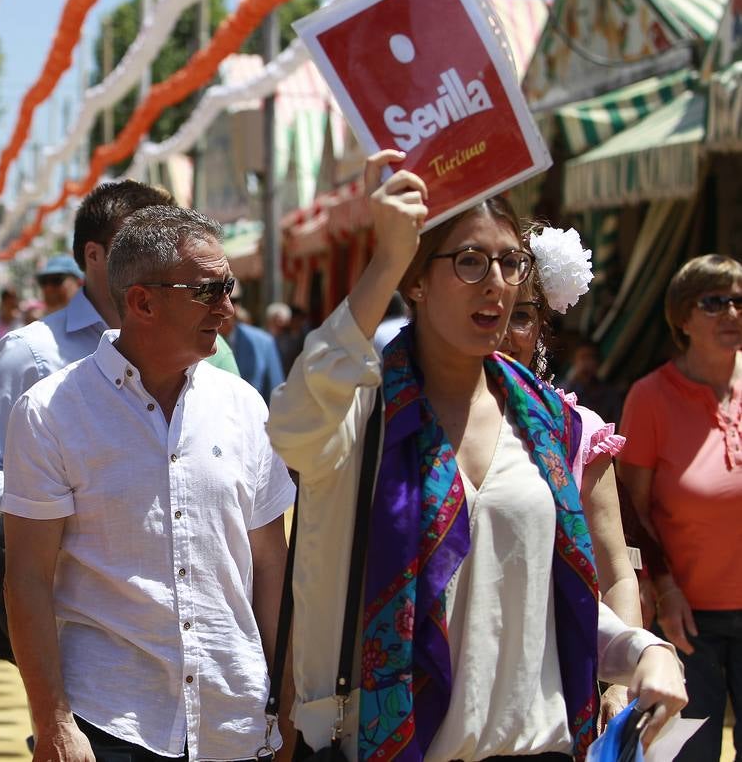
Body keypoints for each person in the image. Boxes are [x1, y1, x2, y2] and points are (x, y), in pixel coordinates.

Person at [266, 150, 687, 761]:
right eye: (468, 261)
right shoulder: (363, 416)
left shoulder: (549, 424)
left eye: (510, 262)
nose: (496, 281)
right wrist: (384, 258)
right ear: (414, 280)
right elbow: (294, 423)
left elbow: (547, 603)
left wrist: (642, 650)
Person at [4, 206, 296, 762]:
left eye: (228, 288)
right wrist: (54, 723)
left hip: (233, 718)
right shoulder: (50, 413)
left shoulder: (243, 407)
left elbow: (271, 568)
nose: (229, 309)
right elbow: (27, 578)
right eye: (210, 291)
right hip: (108, 722)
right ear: (143, 302)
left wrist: (283, 706)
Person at [0, 179, 176, 532]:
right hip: (64, 583)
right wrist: (70, 526)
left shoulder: (187, 347)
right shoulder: (30, 353)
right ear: (93, 255)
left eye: (164, 247)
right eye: (138, 247)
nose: (159, 261)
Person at [497, 223, 642, 726]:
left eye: (521, 316)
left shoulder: (579, 433)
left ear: (541, 327)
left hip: (556, 695)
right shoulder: (421, 423)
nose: (502, 331)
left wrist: (619, 686)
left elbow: (616, 568)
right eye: (489, 312)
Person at [618, 253, 742, 762]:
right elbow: (630, 510)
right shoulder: (650, 397)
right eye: (715, 302)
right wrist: (664, 588)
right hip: (689, 626)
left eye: (739, 301)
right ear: (682, 318)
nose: (732, 313)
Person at [221, 304, 284, 403]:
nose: (226, 303)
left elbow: (276, 393)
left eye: (234, 300)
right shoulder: (198, 341)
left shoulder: (263, 341)